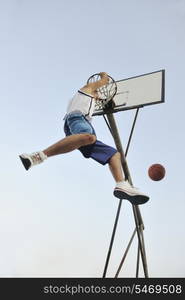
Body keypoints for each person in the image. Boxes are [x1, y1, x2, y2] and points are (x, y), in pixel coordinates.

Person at [19, 72, 149, 205]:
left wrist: (98, 98)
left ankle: (121, 184)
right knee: (89, 137)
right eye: (97, 93)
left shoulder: (87, 100)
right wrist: (104, 76)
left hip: (78, 123)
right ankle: (37, 156)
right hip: (77, 119)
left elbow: (94, 99)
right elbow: (104, 81)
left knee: (114, 155)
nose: (98, 96)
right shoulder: (86, 89)